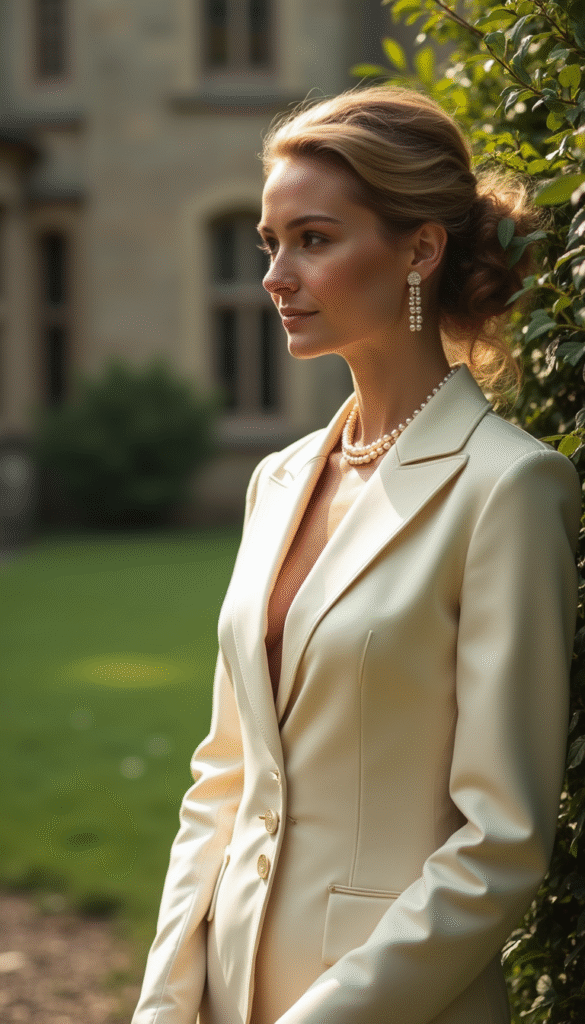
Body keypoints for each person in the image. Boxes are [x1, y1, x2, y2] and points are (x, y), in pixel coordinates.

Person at [131, 85, 581, 1024]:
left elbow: (502, 838)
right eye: (269, 243)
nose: (274, 276)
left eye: (314, 239)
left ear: (419, 248)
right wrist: (166, 1004)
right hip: (225, 991)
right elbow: (222, 780)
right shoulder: (277, 481)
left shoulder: (508, 488)